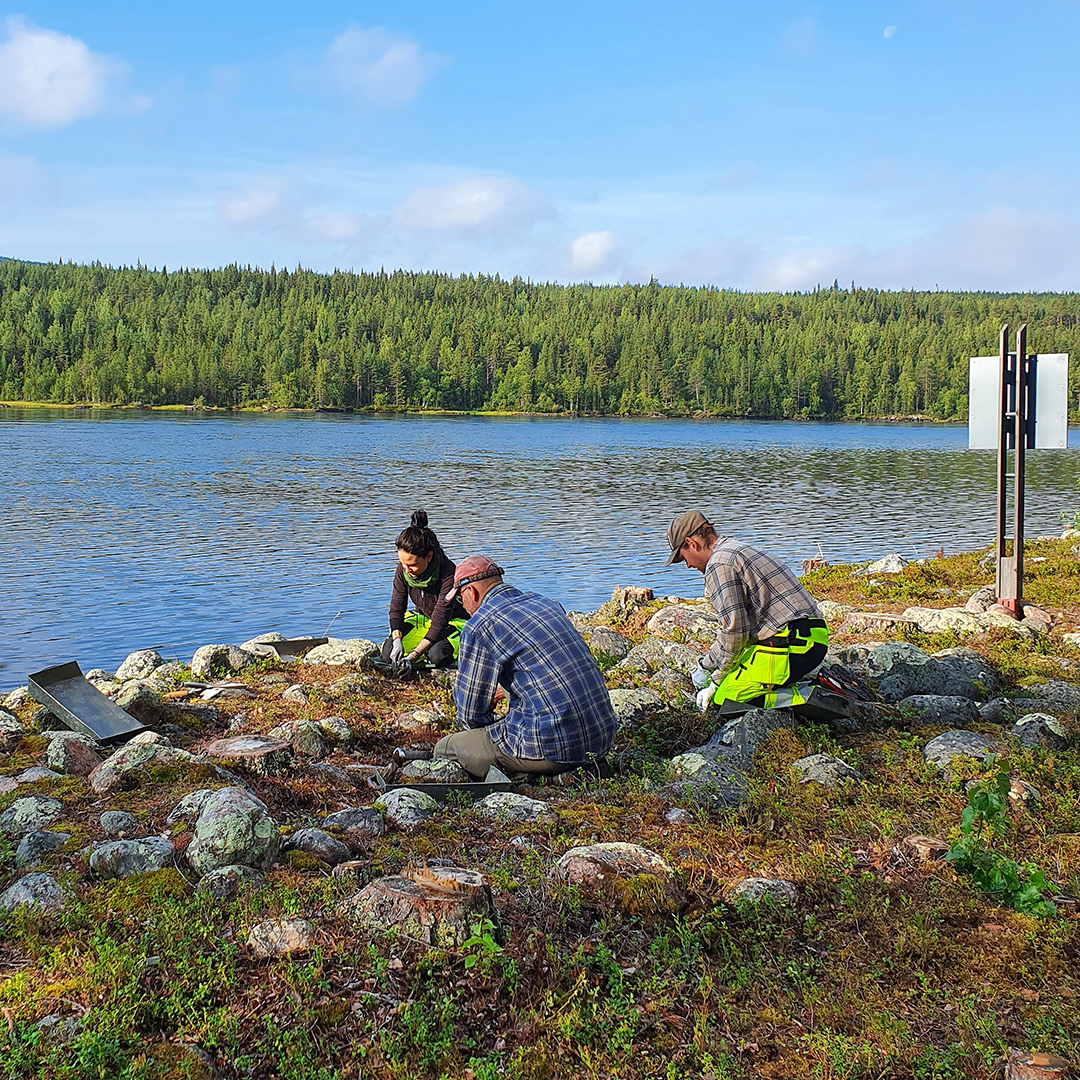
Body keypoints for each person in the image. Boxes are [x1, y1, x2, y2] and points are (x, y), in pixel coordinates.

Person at [432, 556, 617, 780]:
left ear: (471, 592)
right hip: (602, 736)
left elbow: (470, 715)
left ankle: (544, 778)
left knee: (447, 749)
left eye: (461, 600)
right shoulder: (546, 603)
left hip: (555, 748)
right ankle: (576, 770)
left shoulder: (479, 625)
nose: (464, 607)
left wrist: (489, 731)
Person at [664, 511, 829, 712]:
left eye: (683, 558)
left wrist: (716, 682)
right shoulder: (732, 549)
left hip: (794, 644)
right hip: (807, 637)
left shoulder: (719, 565)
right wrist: (705, 666)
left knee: (725, 699)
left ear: (692, 544)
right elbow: (732, 634)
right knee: (732, 676)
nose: (688, 565)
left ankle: (814, 695)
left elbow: (735, 632)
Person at [382, 510, 467, 672]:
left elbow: (440, 621)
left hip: (452, 623)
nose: (407, 570)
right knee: (387, 655)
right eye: (402, 563)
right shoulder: (403, 568)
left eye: (412, 565)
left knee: (437, 656)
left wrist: (412, 657)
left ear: (428, 556)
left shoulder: (448, 574)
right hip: (422, 619)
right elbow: (397, 607)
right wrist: (397, 639)